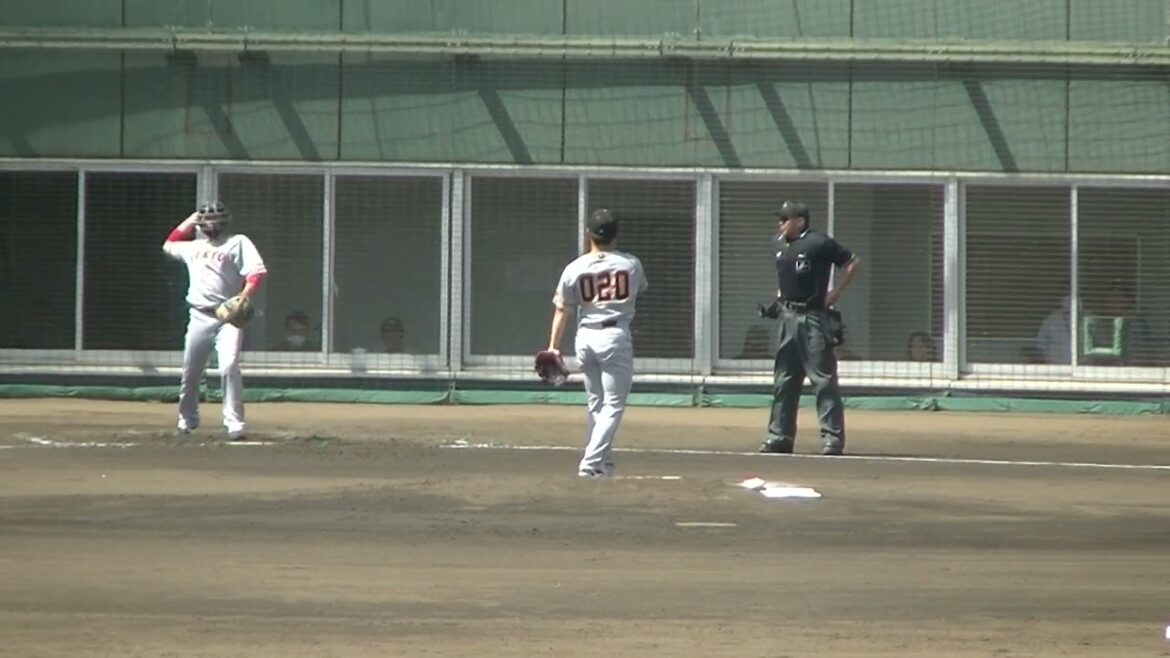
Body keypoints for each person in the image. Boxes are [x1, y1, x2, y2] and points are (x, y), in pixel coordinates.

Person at [545, 208, 648, 477]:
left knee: (596, 402)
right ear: (615, 235)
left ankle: (604, 463)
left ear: (587, 234)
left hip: (585, 337)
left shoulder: (575, 267)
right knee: (613, 404)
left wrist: (554, 346)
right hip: (614, 337)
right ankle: (591, 463)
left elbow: (562, 309)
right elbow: (639, 289)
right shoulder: (631, 264)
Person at [759, 201, 860, 456]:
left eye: (785, 219)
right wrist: (780, 296)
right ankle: (780, 436)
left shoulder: (818, 242)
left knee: (823, 379)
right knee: (784, 379)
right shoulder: (778, 244)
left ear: (800, 221)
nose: (780, 223)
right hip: (787, 316)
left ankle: (832, 438)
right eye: (780, 219)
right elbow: (784, 275)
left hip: (812, 317)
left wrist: (834, 294)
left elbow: (851, 262)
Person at [162, 201, 267, 440]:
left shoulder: (237, 242)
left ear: (224, 221)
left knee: (229, 367)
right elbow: (169, 244)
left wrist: (244, 295)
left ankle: (234, 424)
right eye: (206, 220)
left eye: (215, 219)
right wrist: (191, 219)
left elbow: (256, 272)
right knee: (191, 371)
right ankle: (187, 420)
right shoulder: (193, 247)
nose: (211, 224)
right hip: (199, 315)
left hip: (228, 317)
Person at [1035, 296, 1072, 364]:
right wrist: (1047, 358)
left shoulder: (1083, 318)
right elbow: (1041, 341)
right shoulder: (1052, 319)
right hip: (1055, 363)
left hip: (1077, 365)